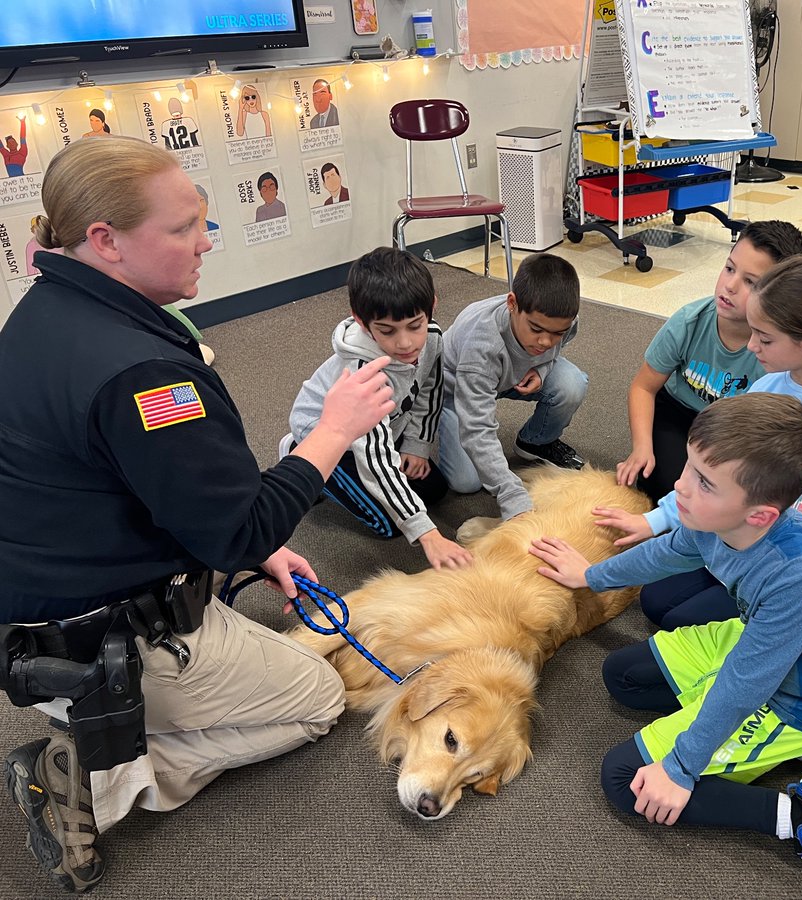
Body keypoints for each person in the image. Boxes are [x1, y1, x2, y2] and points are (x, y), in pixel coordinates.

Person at [0, 135, 396, 892]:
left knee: (273, 646)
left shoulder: (48, 309)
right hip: (106, 634)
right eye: (183, 228)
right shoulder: (141, 375)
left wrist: (254, 546)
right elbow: (237, 529)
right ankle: (90, 778)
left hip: (42, 609)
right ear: (105, 241)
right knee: (317, 700)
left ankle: (118, 717)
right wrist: (331, 434)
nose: (205, 241)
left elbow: (162, 485)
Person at [529, 393, 802, 884]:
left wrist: (680, 767)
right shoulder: (708, 517)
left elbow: (747, 682)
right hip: (758, 648)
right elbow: (666, 554)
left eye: (703, 481)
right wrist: (592, 575)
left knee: (624, 781)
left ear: (759, 515)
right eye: (690, 467)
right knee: (622, 677)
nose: (679, 487)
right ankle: (775, 750)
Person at [599, 255, 802, 633]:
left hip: (793, 568)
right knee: (656, 603)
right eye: (753, 331)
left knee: (679, 623)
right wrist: (654, 519)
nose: (751, 346)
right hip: (742, 542)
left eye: (765, 338)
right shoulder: (767, 386)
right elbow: (712, 470)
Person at [281, 247, 470, 570]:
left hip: (385, 425)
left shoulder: (433, 338)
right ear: (361, 321)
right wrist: (427, 533)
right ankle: (302, 454)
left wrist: (418, 446)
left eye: (415, 325)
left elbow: (428, 390)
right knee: (391, 525)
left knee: (435, 489)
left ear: (432, 306)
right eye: (387, 331)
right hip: (337, 436)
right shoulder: (363, 374)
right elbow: (375, 459)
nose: (406, 344)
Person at [616, 220, 802, 501]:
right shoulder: (689, 322)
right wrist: (641, 446)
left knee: (730, 495)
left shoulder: (776, 352)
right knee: (664, 486)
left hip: (738, 430)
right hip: (678, 411)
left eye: (751, 282)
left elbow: (780, 431)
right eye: (729, 268)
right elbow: (643, 387)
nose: (729, 286)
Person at [438, 252, 588, 520]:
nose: (545, 342)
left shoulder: (565, 319)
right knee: (466, 482)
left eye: (557, 333)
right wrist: (513, 496)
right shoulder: (481, 345)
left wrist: (542, 369)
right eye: (536, 329)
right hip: (455, 388)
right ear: (512, 303)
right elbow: (478, 429)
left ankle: (534, 442)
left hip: (511, 376)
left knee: (571, 383)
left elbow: (557, 347)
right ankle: (437, 421)